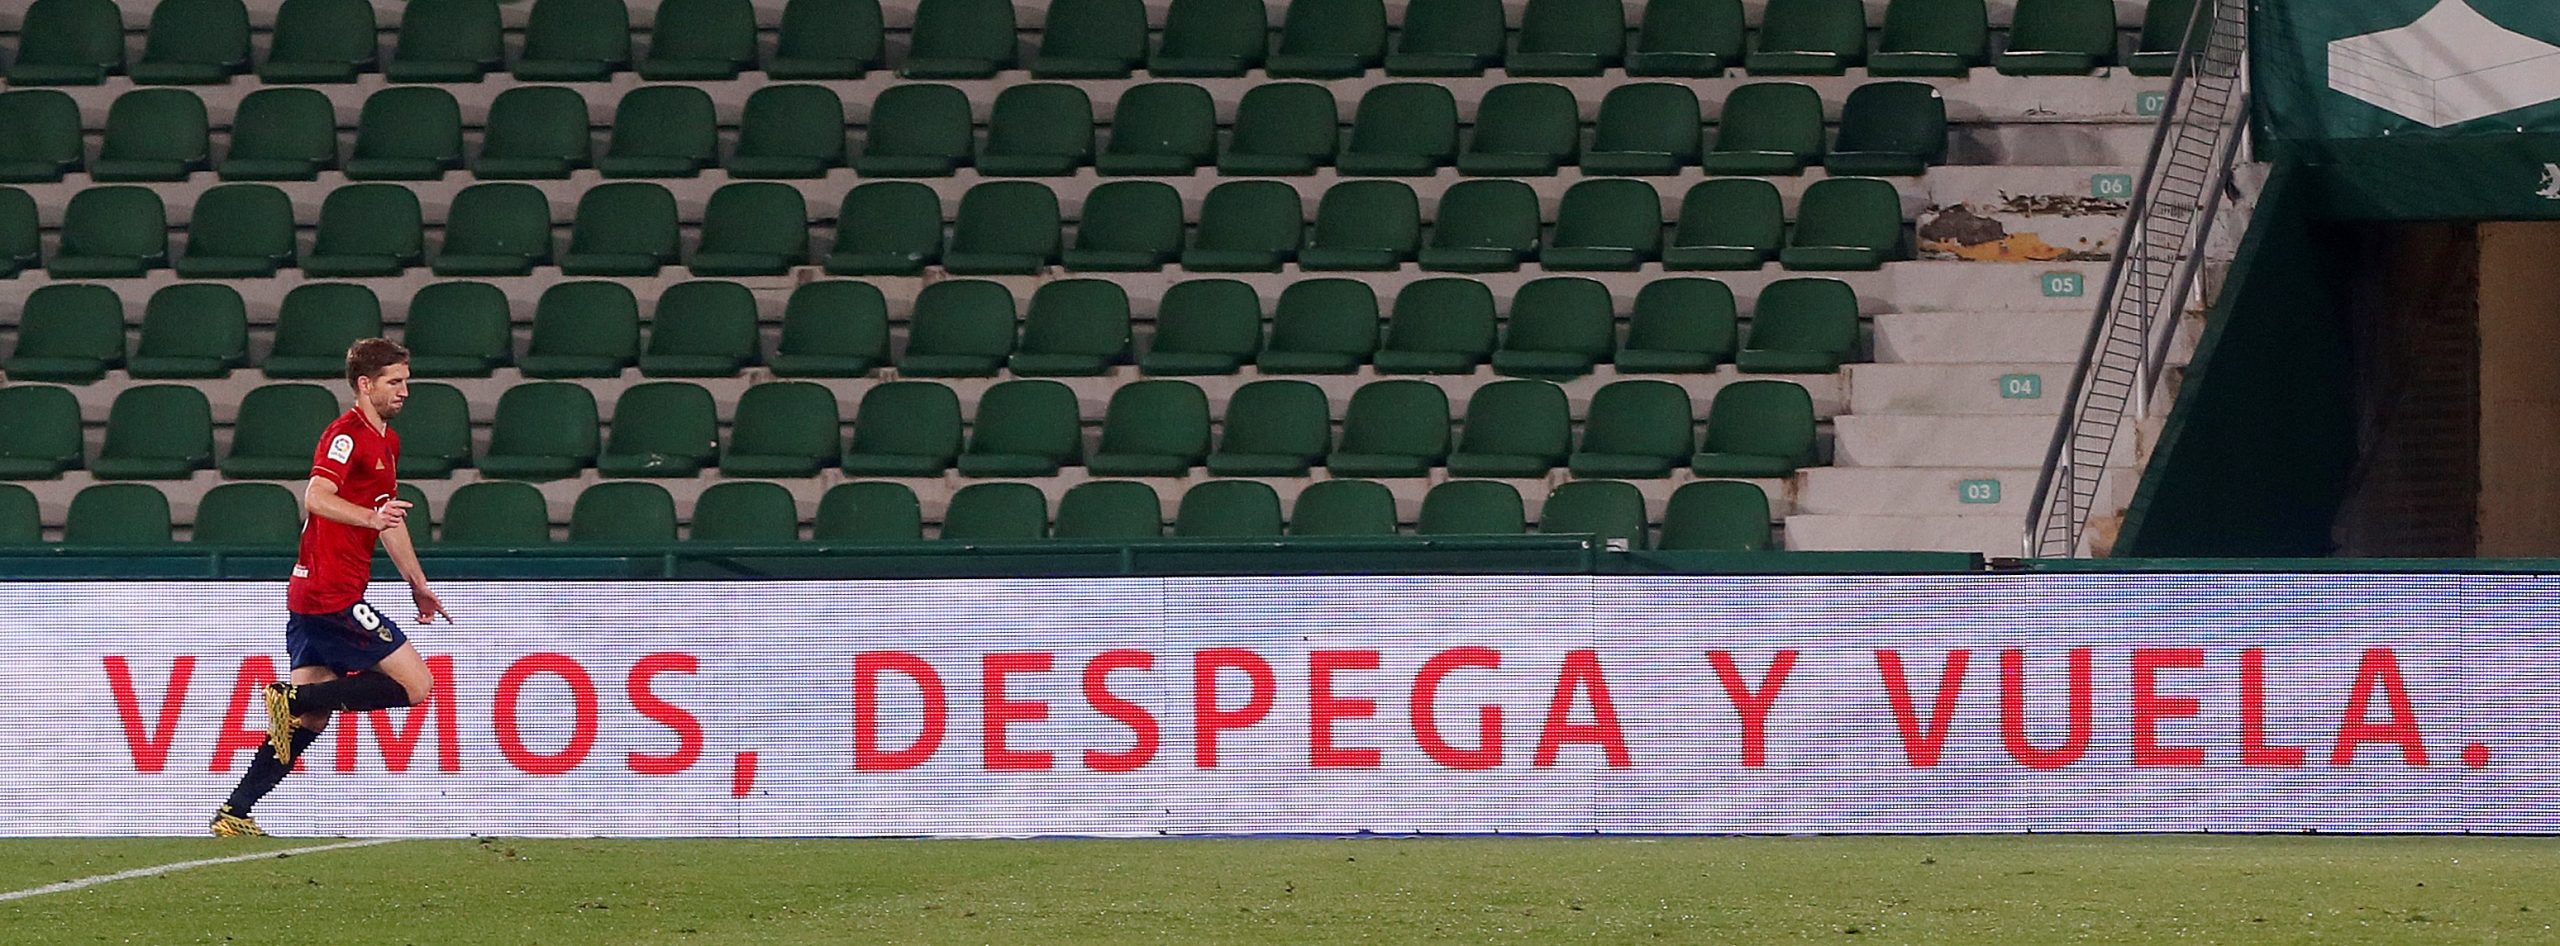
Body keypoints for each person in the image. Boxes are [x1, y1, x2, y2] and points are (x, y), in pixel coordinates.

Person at [211, 339, 452, 837]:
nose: (405, 390)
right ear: (365, 385)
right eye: (394, 382)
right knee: (417, 684)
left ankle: (234, 812)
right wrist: (370, 515)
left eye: (406, 380)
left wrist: (417, 582)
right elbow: (317, 497)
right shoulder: (345, 435)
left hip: (311, 595)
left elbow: (389, 519)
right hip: (331, 593)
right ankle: (290, 699)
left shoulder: (387, 440)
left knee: (311, 718)